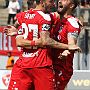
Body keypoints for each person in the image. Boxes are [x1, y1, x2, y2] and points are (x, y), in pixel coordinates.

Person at [51, 0, 82, 90]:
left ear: (71, 5)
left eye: (64, 0)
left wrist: (67, 51)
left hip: (61, 68)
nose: (60, 1)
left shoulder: (73, 23)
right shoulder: (54, 18)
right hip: (48, 65)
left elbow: (72, 44)